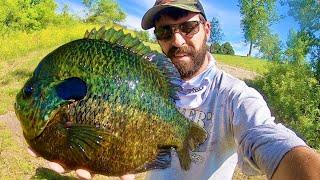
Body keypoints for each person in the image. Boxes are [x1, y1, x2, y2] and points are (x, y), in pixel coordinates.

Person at [28, 0, 320, 179]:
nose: (177, 40)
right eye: (165, 32)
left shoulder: (234, 97)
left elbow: (269, 139)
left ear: (207, 28)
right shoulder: (156, 81)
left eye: (188, 27)